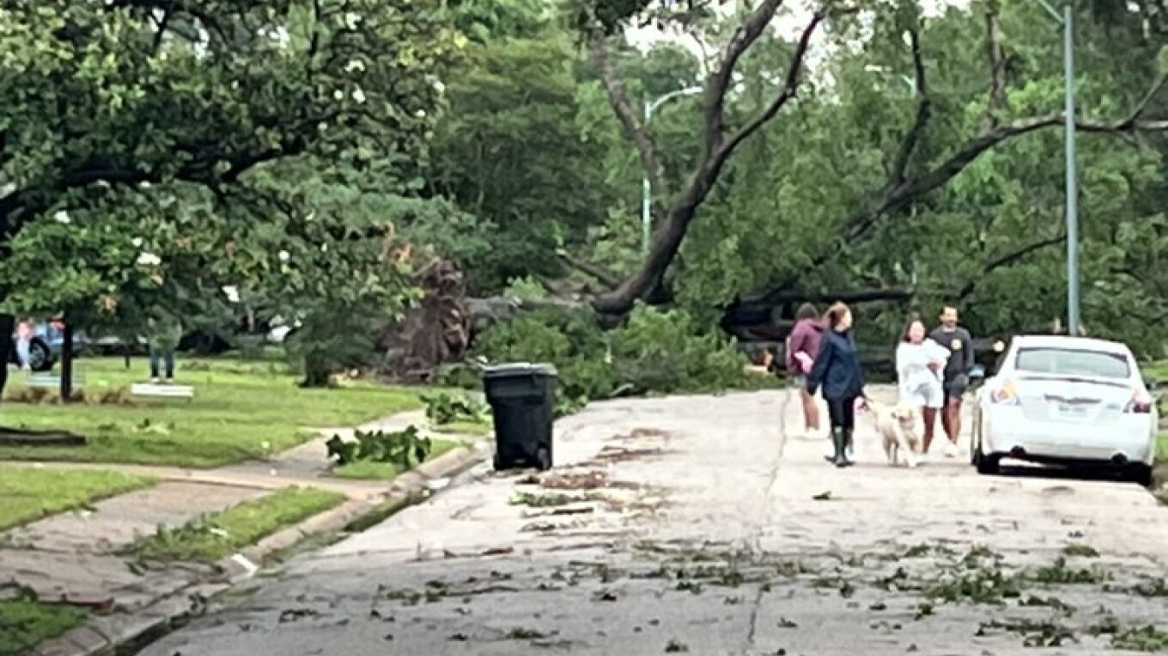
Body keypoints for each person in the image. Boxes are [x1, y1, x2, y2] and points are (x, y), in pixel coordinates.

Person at [806, 302, 867, 467]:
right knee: (837, 417)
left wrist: (860, 386)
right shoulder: (829, 338)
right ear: (840, 318)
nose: (850, 319)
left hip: (850, 384)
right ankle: (838, 452)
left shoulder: (849, 337)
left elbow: (855, 362)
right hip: (835, 384)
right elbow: (821, 362)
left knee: (849, 419)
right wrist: (813, 383)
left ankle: (846, 450)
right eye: (848, 316)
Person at [895, 316, 948, 460]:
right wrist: (923, 363)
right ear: (908, 332)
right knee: (914, 421)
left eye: (920, 330)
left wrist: (937, 364)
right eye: (914, 330)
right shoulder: (904, 348)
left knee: (929, 420)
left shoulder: (931, 346)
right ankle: (911, 450)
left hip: (931, 385)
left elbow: (943, 358)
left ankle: (924, 450)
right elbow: (903, 367)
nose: (917, 333)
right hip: (912, 388)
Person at [927, 306, 974, 457]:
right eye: (948, 316)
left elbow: (969, 356)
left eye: (953, 315)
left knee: (954, 406)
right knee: (944, 411)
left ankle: (954, 441)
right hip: (940, 378)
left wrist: (966, 373)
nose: (951, 319)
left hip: (958, 376)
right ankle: (949, 438)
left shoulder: (963, 335)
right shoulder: (935, 336)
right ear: (942, 318)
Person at [786, 303, 824, 438]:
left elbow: (795, 347)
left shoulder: (801, 327)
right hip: (818, 365)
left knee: (807, 398)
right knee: (812, 397)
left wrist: (792, 365)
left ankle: (813, 428)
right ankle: (812, 427)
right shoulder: (819, 328)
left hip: (804, 366)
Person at [146, 312, 182, 383]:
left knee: (156, 357)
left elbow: (150, 328)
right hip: (168, 341)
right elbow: (178, 329)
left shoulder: (156, 316)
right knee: (168, 358)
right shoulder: (174, 318)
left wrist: (151, 340)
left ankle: (155, 375)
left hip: (160, 341)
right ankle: (169, 376)